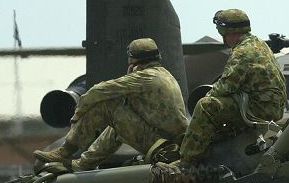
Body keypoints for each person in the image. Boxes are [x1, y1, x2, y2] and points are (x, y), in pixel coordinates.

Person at [34, 38, 187, 171]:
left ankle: (65, 151)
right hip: (170, 145)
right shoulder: (165, 75)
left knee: (109, 107)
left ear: (133, 62)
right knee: (118, 118)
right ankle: (84, 163)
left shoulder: (145, 77)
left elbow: (98, 90)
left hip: (163, 147)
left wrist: (78, 112)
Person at [179, 8, 287, 165]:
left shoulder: (242, 51)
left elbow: (225, 87)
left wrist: (207, 97)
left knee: (206, 106)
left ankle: (186, 161)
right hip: (272, 107)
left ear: (228, 32)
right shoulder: (259, 44)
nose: (222, 38)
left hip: (259, 109)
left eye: (222, 33)